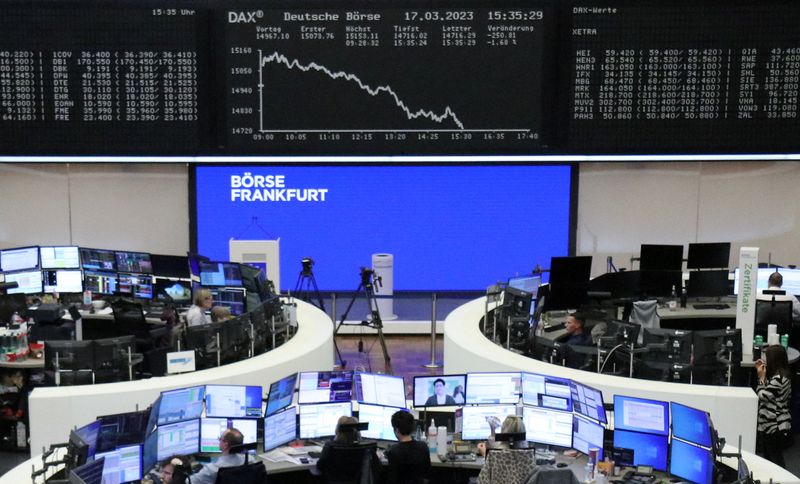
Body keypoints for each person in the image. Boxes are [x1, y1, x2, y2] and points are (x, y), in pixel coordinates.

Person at [755, 345, 792, 467]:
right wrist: (764, 377)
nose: (765, 361)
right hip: (773, 424)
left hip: (773, 426)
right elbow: (770, 394)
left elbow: (762, 395)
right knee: (771, 460)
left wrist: (761, 378)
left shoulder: (778, 379)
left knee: (775, 461)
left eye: (767, 358)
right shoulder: (783, 376)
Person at [385, 410, 431, 484]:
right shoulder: (423, 446)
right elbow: (427, 476)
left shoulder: (393, 451)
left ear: (397, 430)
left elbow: (392, 480)